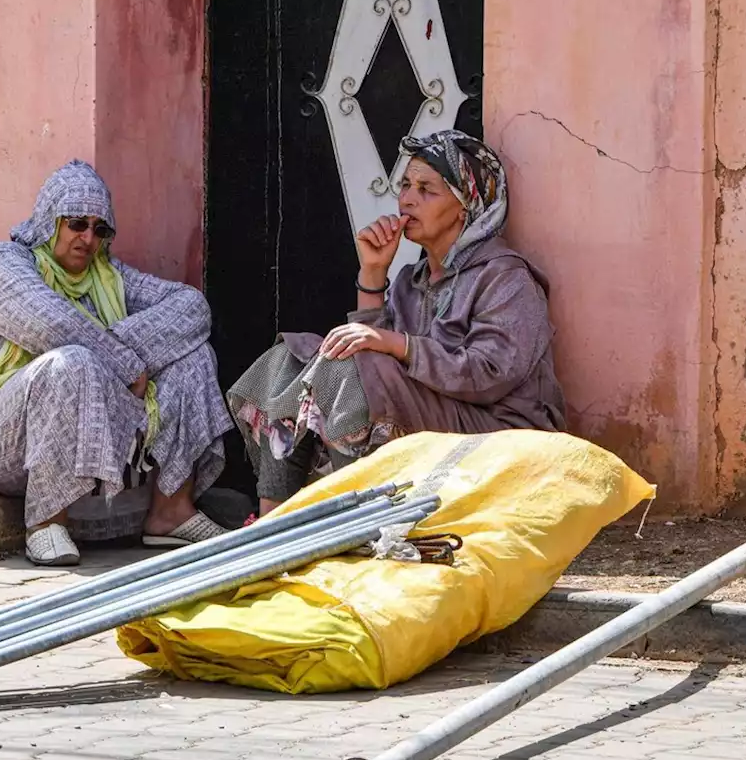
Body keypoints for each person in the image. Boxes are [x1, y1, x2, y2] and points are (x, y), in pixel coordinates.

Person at [228, 130, 566, 516]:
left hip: (499, 429)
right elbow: (373, 357)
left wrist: (396, 344)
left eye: (426, 189)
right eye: (405, 184)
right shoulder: (410, 279)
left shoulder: (505, 277)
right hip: (433, 413)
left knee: (348, 366)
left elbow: (490, 374)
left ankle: (357, 518)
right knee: (290, 357)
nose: (407, 198)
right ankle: (273, 516)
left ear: (464, 206)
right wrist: (373, 274)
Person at [0, 160, 233, 566]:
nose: (88, 238)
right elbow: (52, 324)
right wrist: (123, 363)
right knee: (72, 361)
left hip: (83, 417)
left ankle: (171, 510)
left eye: (100, 229)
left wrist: (122, 351)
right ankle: (46, 522)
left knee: (193, 353)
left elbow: (191, 307)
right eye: (77, 223)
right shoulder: (4, 263)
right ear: (50, 220)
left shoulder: (107, 275)